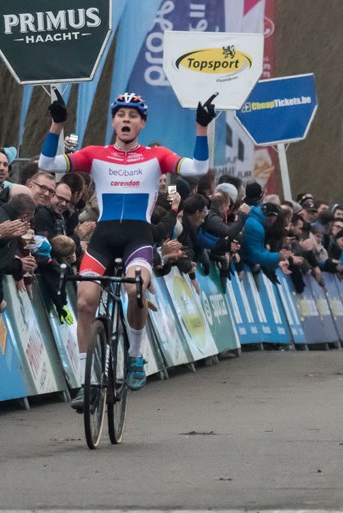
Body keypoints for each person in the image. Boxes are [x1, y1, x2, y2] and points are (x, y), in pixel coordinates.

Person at [38, 90, 216, 403]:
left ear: (142, 123)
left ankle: (134, 356)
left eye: (133, 116)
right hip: (103, 239)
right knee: (84, 302)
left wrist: (201, 128)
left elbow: (198, 168)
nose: (126, 119)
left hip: (138, 238)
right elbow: (49, 163)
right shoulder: (95, 154)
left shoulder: (155, 157)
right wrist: (56, 124)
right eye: (120, 114)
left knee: (135, 290)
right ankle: (85, 384)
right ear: (113, 121)